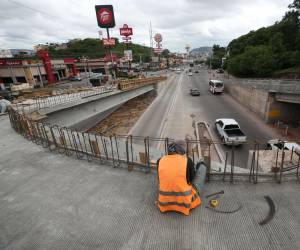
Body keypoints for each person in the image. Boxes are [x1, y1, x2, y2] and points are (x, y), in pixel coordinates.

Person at [156, 140, 207, 215]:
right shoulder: (187, 161)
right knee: (202, 168)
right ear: (181, 151)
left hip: (164, 202)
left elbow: (160, 180)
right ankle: (201, 163)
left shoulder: (160, 161)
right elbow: (191, 180)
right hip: (185, 203)